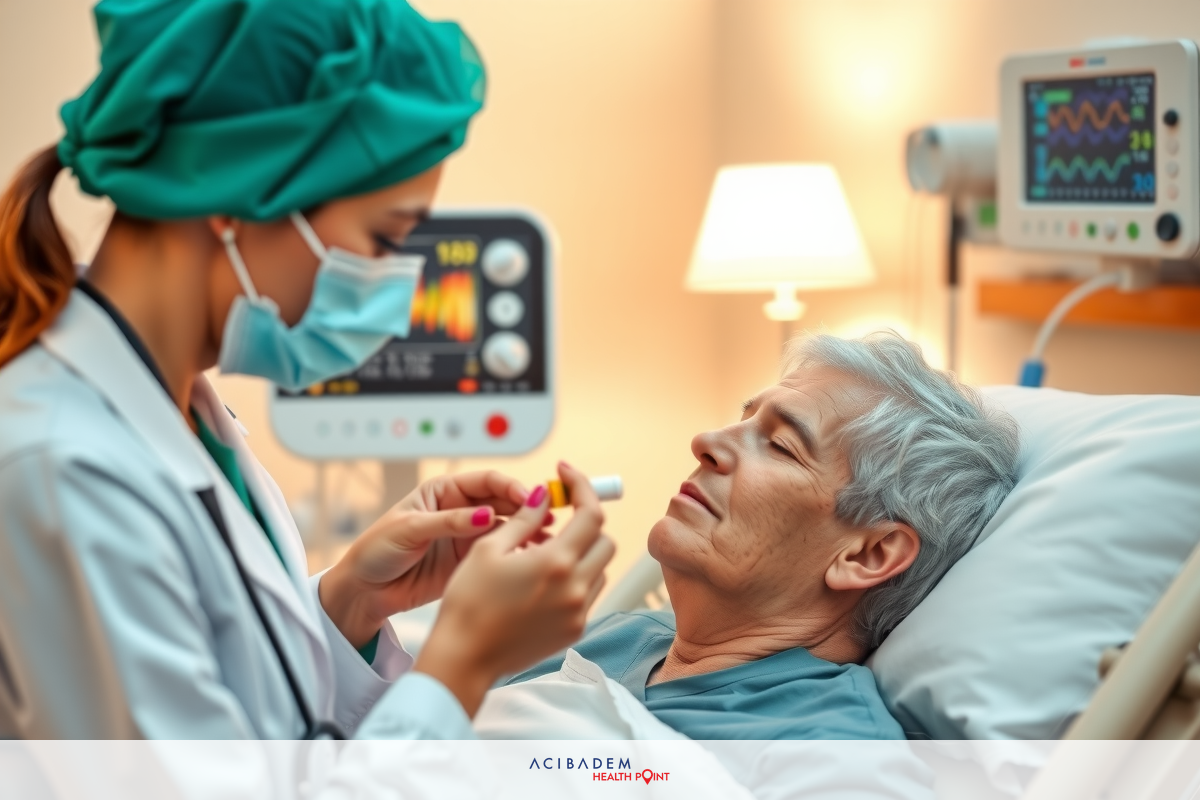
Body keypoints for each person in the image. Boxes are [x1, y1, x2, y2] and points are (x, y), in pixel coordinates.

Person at [0, 0, 613, 740]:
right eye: (384, 240)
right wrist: (463, 664)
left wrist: (350, 603)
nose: (392, 287)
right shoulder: (61, 468)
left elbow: (240, 704)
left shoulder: (182, 411)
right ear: (235, 196)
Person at [506, 332, 1020, 739]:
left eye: (779, 445)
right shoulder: (619, 636)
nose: (705, 441)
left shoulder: (823, 752)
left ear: (869, 552)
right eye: (742, 418)